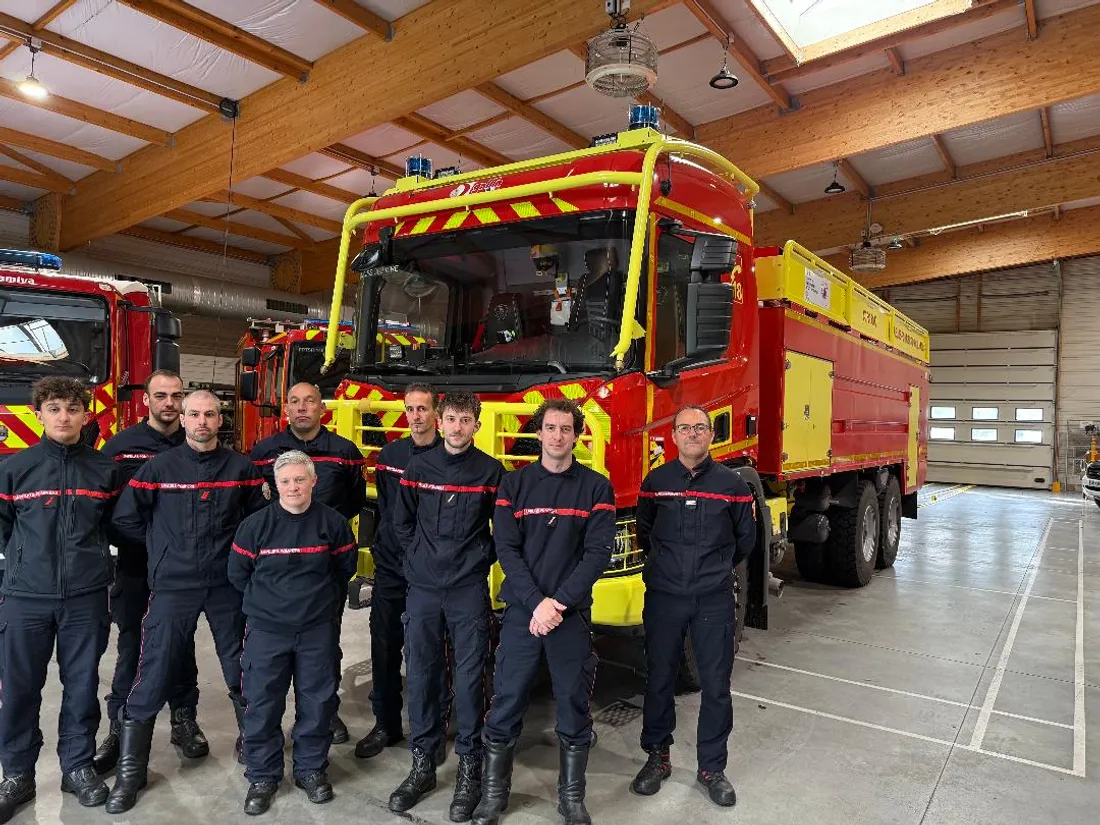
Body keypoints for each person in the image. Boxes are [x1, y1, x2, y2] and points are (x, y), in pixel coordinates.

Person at [105, 390, 267, 814]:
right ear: (183, 416)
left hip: (226, 585)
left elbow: (260, 522)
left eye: (210, 414)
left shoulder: (241, 468)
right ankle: (131, 771)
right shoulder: (159, 468)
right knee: (154, 668)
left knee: (242, 665)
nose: (202, 422)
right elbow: (124, 519)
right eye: (194, 414)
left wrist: (241, 559)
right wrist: (161, 548)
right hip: (173, 585)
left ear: (220, 420)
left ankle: (256, 750)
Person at [472, 398, 615, 825]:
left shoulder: (596, 488)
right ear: (538, 433)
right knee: (507, 698)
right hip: (524, 613)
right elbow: (507, 550)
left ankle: (572, 800)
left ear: (576, 435)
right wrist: (537, 603)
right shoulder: (514, 485)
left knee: (573, 702)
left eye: (565, 429)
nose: (557, 436)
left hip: (569, 615)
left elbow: (597, 554)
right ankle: (493, 796)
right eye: (550, 428)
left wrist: (558, 603)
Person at [0, 377, 123, 822]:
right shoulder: (15, 468)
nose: (64, 417)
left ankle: (77, 766)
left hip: (85, 597)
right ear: (39, 415)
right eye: (54, 408)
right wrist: (24, 562)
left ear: (86, 414)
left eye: (73, 408)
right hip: (25, 597)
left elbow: (113, 525)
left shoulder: (105, 470)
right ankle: (17, 773)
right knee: (19, 688)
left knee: (82, 685)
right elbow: (4, 526)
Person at [630, 405, 756, 808]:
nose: (692, 434)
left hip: (712, 597)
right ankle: (658, 757)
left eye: (699, 427)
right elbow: (644, 532)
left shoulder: (733, 486)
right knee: (659, 678)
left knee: (716, 685)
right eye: (684, 428)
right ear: (673, 436)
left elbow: (745, 540)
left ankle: (711, 768)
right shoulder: (656, 482)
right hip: (664, 596)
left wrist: (713, 569)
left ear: (711, 435)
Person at [389, 392, 503, 821]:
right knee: (421, 673)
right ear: (440, 422)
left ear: (476, 425)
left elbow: (503, 531)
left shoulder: (491, 472)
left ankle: (470, 769)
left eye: (465, 420)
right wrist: (418, 559)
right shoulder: (418, 468)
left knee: (471, 678)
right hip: (423, 587)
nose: (457, 427)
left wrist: (478, 558)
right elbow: (400, 522)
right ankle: (422, 765)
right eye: (451, 419)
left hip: (467, 588)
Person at [229, 451, 357, 815]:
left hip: (317, 630)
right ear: (275, 485)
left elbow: (344, 569)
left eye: (300, 479)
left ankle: (310, 770)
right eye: (285, 481)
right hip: (267, 631)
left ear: (314, 481)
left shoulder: (333, 524)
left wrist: (319, 606)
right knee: (262, 704)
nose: (293, 487)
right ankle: (263, 776)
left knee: (318, 702)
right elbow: (238, 574)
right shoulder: (255, 527)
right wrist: (270, 606)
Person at [93, 370, 206, 775]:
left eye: (176, 395)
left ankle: (183, 719)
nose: (169, 403)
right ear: (146, 400)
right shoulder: (121, 448)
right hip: (137, 567)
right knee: (132, 645)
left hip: (183, 574)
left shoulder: (197, 442)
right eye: (161, 395)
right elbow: (108, 510)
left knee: (182, 645)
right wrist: (156, 544)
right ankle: (119, 728)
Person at [250, 381, 366, 745]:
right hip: (274, 570)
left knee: (325, 647)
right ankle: (261, 727)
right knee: (269, 657)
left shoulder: (345, 452)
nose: (302, 408)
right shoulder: (264, 451)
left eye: (309, 401)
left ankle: (325, 713)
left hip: (323, 569)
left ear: (322, 408)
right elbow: (253, 502)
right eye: (295, 402)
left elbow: (354, 500)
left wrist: (327, 531)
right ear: (286, 409)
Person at [354, 384, 451, 761]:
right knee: (384, 644)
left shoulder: (450, 456)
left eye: (422, 409)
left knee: (429, 651)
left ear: (436, 413)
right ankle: (386, 724)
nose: (415, 416)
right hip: (392, 566)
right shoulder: (391, 455)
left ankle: (432, 729)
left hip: (430, 572)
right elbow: (387, 507)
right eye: (410, 409)